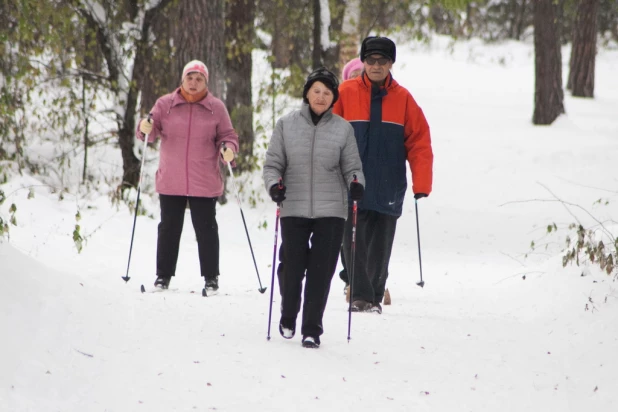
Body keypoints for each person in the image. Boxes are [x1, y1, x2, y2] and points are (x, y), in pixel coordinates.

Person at [263, 67, 365, 349]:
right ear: (307, 93)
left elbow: (353, 167)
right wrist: (274, 185)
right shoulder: (286, 125)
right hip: (293, 204)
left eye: (327, 92)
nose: (321, 97)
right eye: (316, 91)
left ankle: (312, 328)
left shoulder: (343, 129)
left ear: (334, 98)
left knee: (321, 271)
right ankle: (288, 313)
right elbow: (273, 165)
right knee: (292, 267)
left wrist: (356, 183)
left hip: (331, 210)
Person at [333, 36, 433, 314]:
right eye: (371, 60)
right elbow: (328, 134)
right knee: (352, 240)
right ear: (363, 61)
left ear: (391, 63)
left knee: (380, 245)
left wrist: (421, 182)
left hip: (389, 184)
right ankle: (360, 296)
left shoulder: (403, 99)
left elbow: (419, 142)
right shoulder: (345, 92)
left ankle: (374, 296)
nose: (376, 66)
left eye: (383, 61)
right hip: (352, 182)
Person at [136, 60, 239, 294]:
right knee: (169, 228)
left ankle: (211, 278)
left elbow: (227, 135)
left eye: (199, 79)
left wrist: (228, 148)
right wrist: (144, 127)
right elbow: (149, 130)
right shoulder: (165, 104)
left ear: (206, 82)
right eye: (189, 78)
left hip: (204, 180)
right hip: (171, 179)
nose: (193, 83)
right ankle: (163, 277)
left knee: (206, 229)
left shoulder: (216, 108)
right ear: (182, 80)